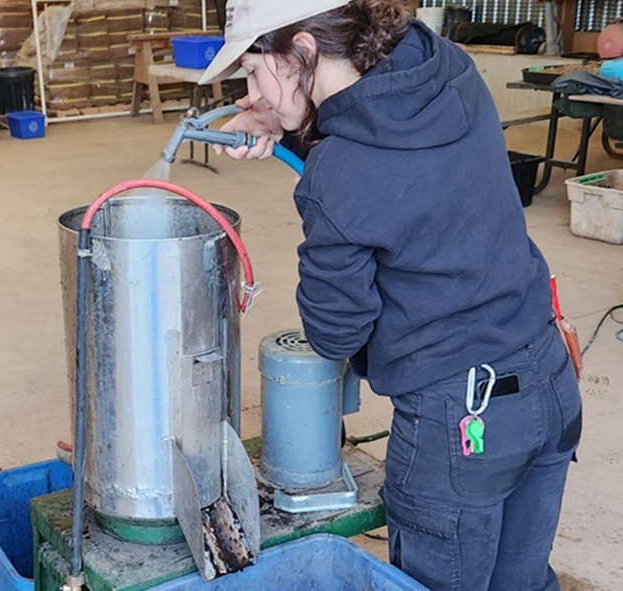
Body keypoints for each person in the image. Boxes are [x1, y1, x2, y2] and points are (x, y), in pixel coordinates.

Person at [199, 1, 582, 590]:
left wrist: (313, 177)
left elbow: (336, 333)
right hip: (549, 381)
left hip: (461, 425)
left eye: (253, 72)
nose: (252, 93)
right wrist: (288, 125)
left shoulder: (338, 176)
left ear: (302, 49)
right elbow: (392, 157)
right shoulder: (449, 68)